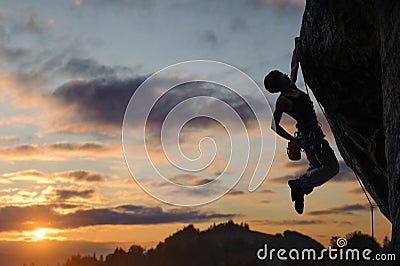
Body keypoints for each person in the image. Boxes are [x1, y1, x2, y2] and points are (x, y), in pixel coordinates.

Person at [264, 43, 339, 214]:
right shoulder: (282, 100)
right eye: (281, 76)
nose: (285, 75)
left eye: (283, 74)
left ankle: (300, 191)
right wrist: (293, 139)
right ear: (278, 84)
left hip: (312, 136)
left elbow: (293, 66)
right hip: (310, 138)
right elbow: (274, 126)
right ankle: (298, 185)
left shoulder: (291, 86)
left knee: (315, 167)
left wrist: (297, 48)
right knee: (332, 167)